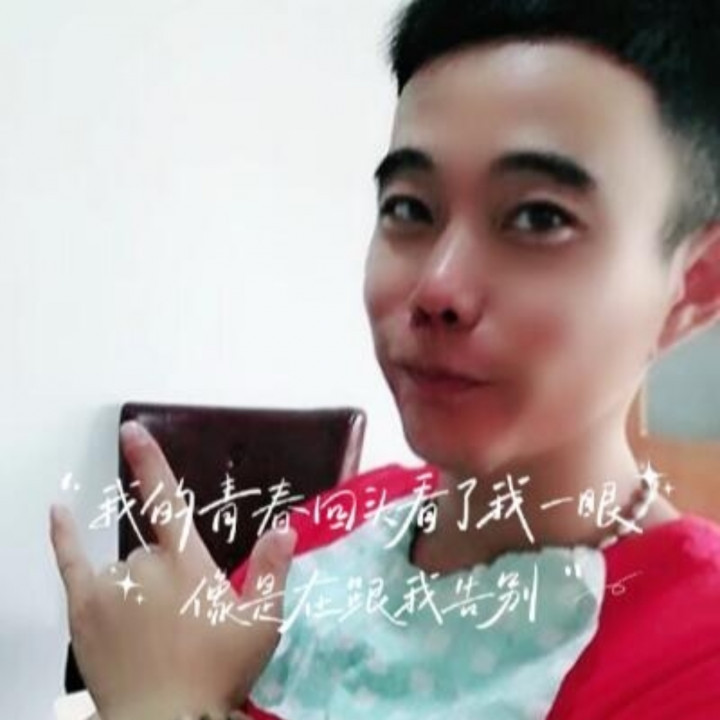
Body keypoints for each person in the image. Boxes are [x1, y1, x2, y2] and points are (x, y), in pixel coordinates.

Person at [50, 0, 720, 718]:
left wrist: (158, 704)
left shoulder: (694, 653)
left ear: (693, 284)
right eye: (409, 208)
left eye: (538, 218)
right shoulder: (331, 528)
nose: (437, 288)